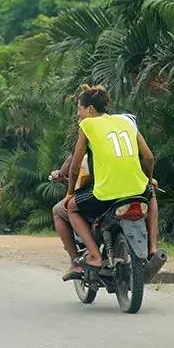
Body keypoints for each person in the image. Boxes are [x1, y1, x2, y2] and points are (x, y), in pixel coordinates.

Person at [63, 85, 156, 273]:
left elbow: (74, 168)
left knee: (71, 207)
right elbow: (148, 157)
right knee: (151, 195)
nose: (78, 114)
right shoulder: (126, 122)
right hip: (138, 189)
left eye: (79, 109)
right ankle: (152, 246)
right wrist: (148, 179)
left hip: (106, 194)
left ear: (89, 109)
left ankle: (95, 255)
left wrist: (70, 192)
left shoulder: (87, 125)